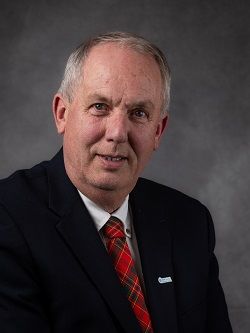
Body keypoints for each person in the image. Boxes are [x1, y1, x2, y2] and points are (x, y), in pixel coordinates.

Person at [0, 32, 232, 333]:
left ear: (158, 131)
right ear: (62, 114)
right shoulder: (8, 219)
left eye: (138, 113)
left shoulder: (189, 221)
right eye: (99, 106)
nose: (118, 133)